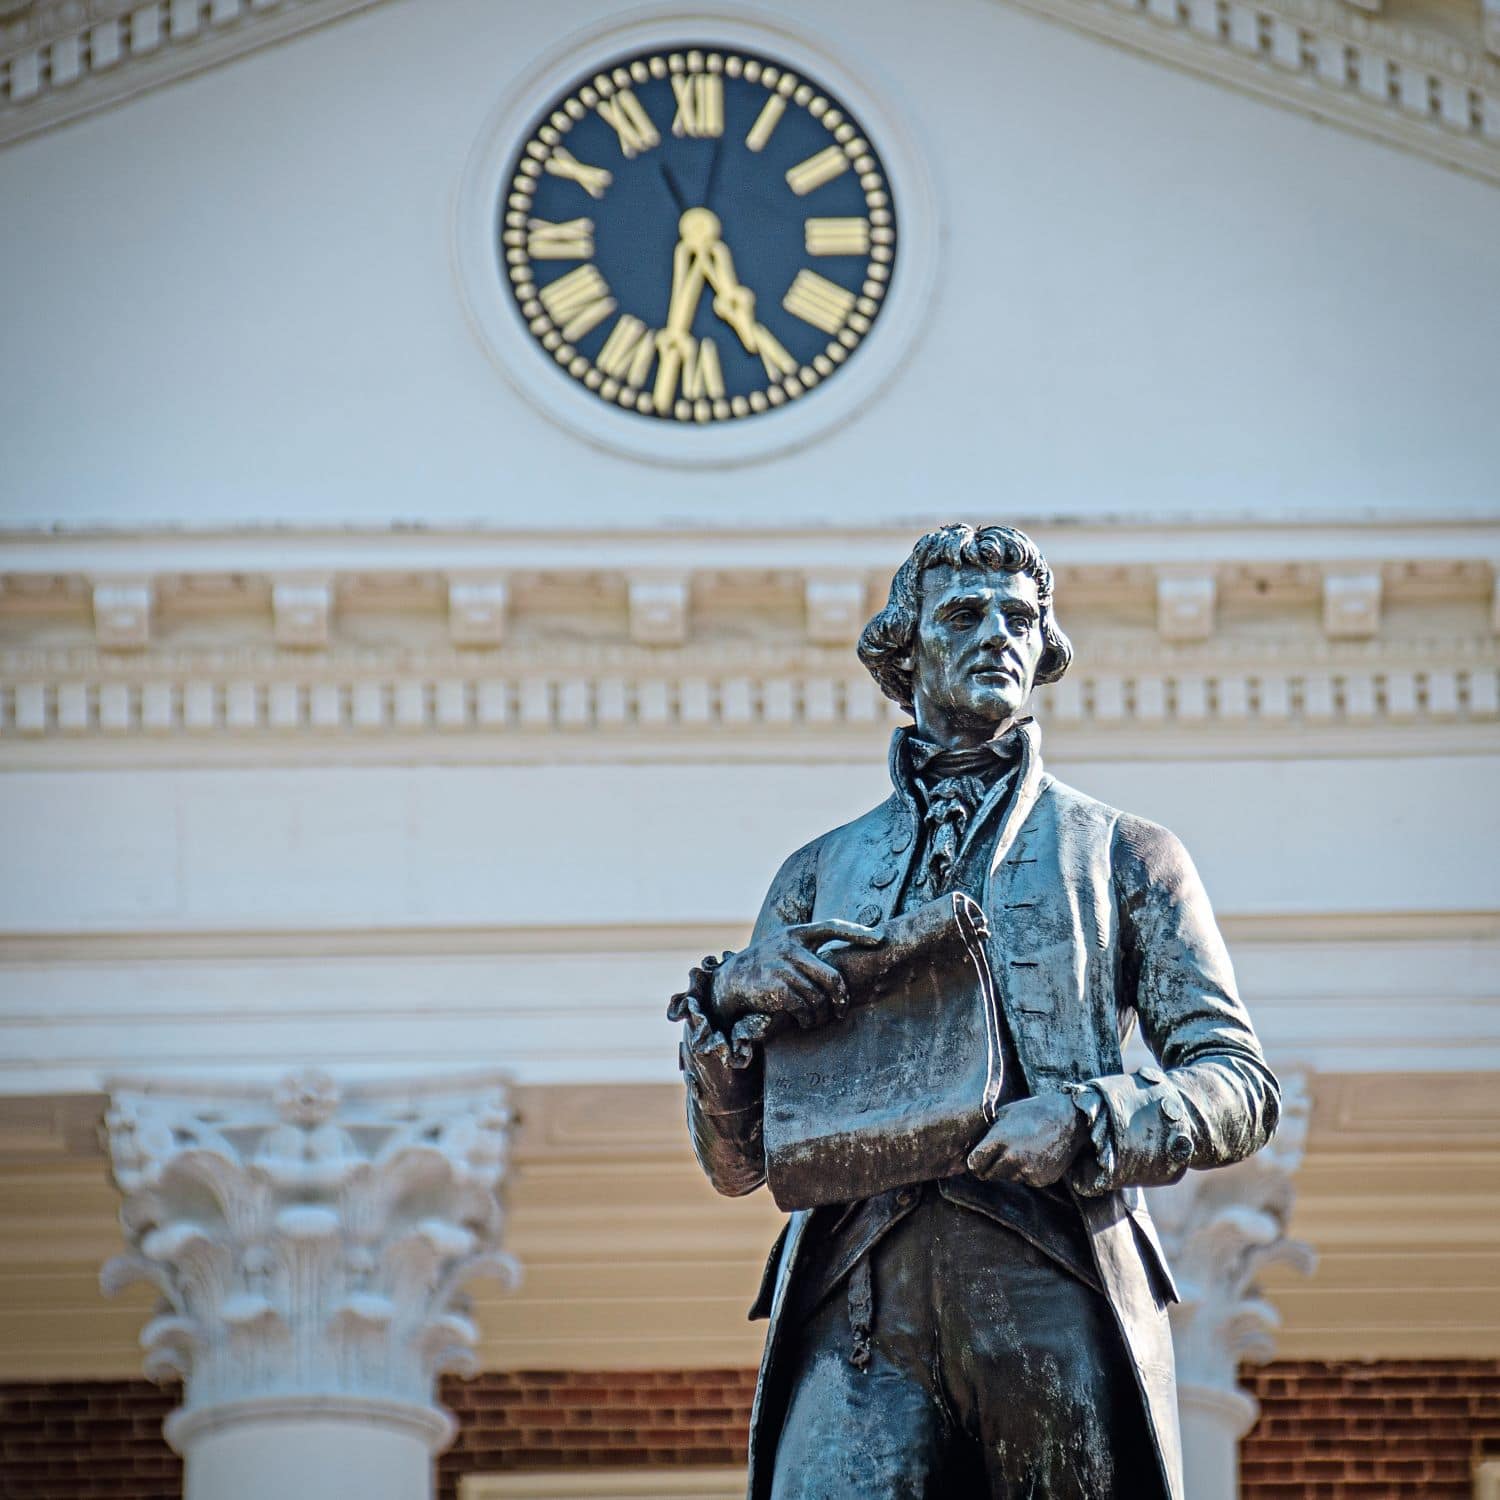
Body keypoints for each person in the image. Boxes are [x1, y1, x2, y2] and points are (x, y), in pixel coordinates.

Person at [670, 524, 1280, 1500]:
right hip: (856, 1312)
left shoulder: (1124, 853)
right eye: (964, 613)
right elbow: (736, 1161)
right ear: (903, 650)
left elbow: (1238, 1087)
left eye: (1021, 618)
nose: (999, 633)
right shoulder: (818, 873)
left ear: (1045, 649)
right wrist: (726, 1017)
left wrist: (1086, 1120)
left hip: (1053, 1288)